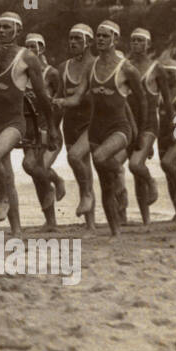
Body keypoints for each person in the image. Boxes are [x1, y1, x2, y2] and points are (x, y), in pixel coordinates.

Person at [56, 21, 149, 236]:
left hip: (119, 128)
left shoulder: (126, 68)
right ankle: (115, 232)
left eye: (105, 36)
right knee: (106, 186)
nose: (100, 39)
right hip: (96, 130)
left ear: (115, 40)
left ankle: (119, 170)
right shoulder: (91, 66)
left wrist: (141, 132)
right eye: (98, 35)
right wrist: (60, 102)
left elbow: (142, 101)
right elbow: (78, 97)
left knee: (99, 158)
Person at [0, 12, 59, 235]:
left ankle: (2, 199)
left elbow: (42, 97)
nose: (1, 31)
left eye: (6, 27)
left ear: (18, 31)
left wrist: (52, 127)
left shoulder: (28, 57)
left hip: (14, 123)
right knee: (7, 176)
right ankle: (16, 230)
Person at [21, 32, 66, 232]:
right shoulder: (21, 74)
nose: (30, 50)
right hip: (30, 134)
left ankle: (56, 179)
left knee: (32, 166)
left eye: (34, 46)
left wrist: (54, 129)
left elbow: (59, 104)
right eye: (27, 46)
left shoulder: (51, 73)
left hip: (48, 131)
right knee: (36, 175)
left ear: (42, 49)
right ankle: (51, 222)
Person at [58, 24, 97, 229]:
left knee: (74, 157)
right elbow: (57, 99)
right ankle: (90, 224)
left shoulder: (97, 65)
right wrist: (53, 128)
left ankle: (90, 197)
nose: (72, 42)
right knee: (84, 170)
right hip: (70, 124)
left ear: (88, 42)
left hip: (92, 122)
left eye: (77, 39)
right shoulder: (63, 67)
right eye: (70, 38)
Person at [125, 28, 162, 225]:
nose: (136, 44)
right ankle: (145, 220)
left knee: (135, 165)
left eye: (140, 41)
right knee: (134, 171)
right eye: (133, 40)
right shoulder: (125, 67)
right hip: (129, 125)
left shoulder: (156, 68)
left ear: (148, 44)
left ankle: (152, 182)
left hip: (148, 125)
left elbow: (170, 104)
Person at [155, 59, 176, 223]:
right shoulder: (160, 91)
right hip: (163, 135)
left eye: (170, 73)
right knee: (168, 171)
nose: (167, 77)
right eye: (164, 73)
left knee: (168, 163)